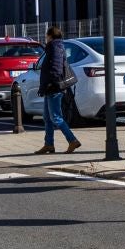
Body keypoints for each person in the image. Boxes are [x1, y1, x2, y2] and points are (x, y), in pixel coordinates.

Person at [36, 25, 81, 154]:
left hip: (53, 87)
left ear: (50, 36)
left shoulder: (55, 48)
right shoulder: (54, 47)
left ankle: (72, 140)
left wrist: (51, 83)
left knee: (56, 117)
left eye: (46, 36)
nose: (45, 38)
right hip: (48, 88)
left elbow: (56, 68)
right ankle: (49, 144)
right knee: (47, 117)